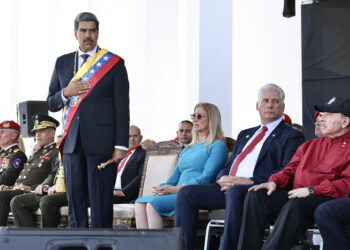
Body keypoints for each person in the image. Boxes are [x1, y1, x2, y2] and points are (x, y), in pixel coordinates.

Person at [175, 84, 305, 250]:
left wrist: (249, 180)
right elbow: (229, 166)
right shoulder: (245, 134)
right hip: (229, 187)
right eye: (265, 100)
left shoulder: (292, 136)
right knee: (187, 194)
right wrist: (221, 177)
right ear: (257, 105)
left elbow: (286, 169)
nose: (270, 105)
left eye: (275, 101)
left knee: (236, 192)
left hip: (258, 190)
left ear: (283, 106)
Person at [46, 12, 130, 228]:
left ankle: (101, 243)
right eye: (83, 31)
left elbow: (122, 108)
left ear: (98, 32)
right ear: (75, 33)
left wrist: (120, 145)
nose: (88, 35)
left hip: (102, 144)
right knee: (76, 200)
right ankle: (77, 242)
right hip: (72, 142)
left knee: (101, 201)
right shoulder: (62, 63)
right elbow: (51, 103)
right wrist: (66, 92)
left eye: (92, 30)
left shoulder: (114, 63)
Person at [238, 96, 350, 250]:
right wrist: (274, 181)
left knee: (296, 205)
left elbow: (346, 184)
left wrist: (311, 190)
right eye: (322, 115)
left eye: (328, 115)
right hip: (298, 193)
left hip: (324, 196)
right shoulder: (310, 145)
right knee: (256, 195)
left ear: (345, 122)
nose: (321, 119)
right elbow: (290, 170)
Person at [135, 102, 227, 229]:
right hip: (176, 191)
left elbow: (207, 177)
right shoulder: (189, 148)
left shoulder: (217, 145)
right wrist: (162, 188)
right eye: (193, 116)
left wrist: (175, 189)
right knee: (139, 203)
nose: (195, 119)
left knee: (153, 204)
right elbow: (175, 176)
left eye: (200, 116)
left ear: (212, 119)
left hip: (193, 193)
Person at [0, 114, 59, 226]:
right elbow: (26, 175)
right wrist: (11, 187)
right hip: (21, 189)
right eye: (36, 132)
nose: (38, 135)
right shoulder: (40, 152)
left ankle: (27, 238)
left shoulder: (56, 152)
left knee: (10, 199)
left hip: (34, 191)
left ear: (52, 133)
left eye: (41, 131)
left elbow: (53, 174)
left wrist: (31, 188)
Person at [113, 125, 146, 204]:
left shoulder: (144, 154)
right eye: (129, 136)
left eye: (135, 136)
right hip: (113, 191)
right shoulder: (120, 153)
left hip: (127, 195)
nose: (132, 139)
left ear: (141, 138)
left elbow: (141, 177)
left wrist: (123, 192)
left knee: (99, 200)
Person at [0, 121, 27, 186]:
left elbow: (7, 179)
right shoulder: (2, 153)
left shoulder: (18, 155)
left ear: (13, 136)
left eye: (2, 132)